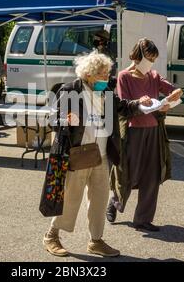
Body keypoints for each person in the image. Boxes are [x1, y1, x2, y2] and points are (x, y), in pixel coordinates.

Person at [43, 50, 152, 257]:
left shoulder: (106, 92)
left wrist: (140, 103)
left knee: (100, 200)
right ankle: (51, 236)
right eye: (102, 73)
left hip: (101, 156)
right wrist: (66, 120)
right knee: (70, 199)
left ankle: (96, 241)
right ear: (89, 74)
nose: (107, 77)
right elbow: (53, 119)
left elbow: (123, 107)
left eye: (107, 73)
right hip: (78, 154)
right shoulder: (70, 90)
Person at [106, 38, 183, 232]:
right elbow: (124, 106)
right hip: (133, 131)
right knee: (127, 173)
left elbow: (172, 90)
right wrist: (140, 101)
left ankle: (143, 219)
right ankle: (114, 202)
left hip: (153, 130)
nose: (151, 62)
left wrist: (174, 95)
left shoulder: (154, 75)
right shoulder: (124, 76)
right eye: (149, 57)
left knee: (152, 175)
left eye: (154, 59)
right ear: (138, 55)